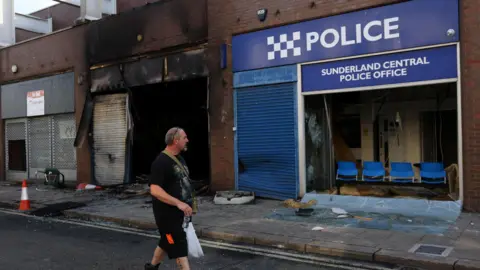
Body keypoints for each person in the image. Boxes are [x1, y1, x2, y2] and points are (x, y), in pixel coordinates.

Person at [145, 127, 196, 270]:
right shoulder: (161, 162)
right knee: (179, 247)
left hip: (181, 213)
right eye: (184, 137)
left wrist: (188, 205)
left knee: (167, 241)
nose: (187, 140)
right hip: (167, 216)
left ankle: (151, 267)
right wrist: (179, 203)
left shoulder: (179, 158)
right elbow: (155, 189)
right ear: (176, 140)